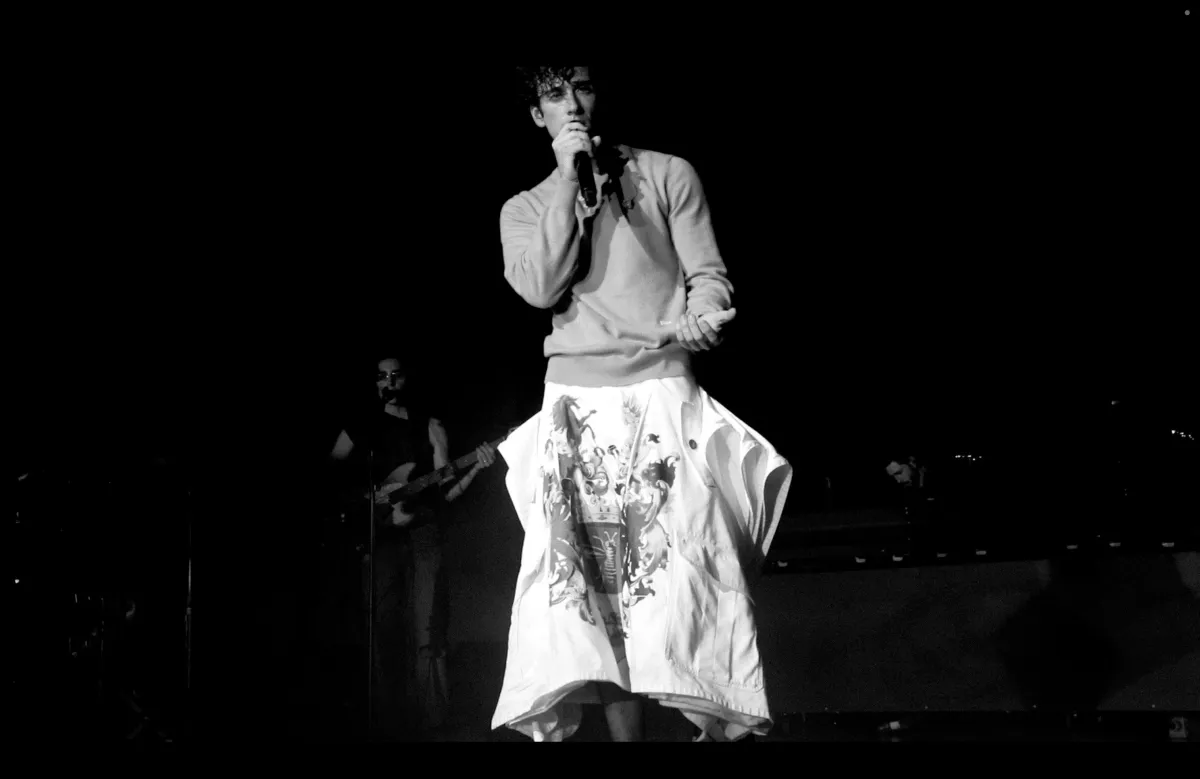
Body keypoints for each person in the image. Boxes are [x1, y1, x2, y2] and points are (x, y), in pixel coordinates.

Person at [491, 66, 793, 743]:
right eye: (553, 96)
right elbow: (540, 287)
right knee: (590, 596)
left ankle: (709, 725)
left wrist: (703, 314)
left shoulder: (667, 173)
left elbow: (707, 276)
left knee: (683, 579)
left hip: (660, 388)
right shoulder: (524, 207)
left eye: (581, 87)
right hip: (576, 403)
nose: (572, 105)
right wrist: (568, 179)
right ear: (537, 116)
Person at [326, 354, 496, 740]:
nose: (389, 381)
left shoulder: (430, 426)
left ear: (406, 379)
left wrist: (474, 467)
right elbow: (330, 472)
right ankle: (387, 722)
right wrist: (366, 496)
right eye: (382, 376)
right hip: (380, 536)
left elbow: (447, 492)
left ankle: (433, 724)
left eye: (396, 375)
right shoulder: (361, 425)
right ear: (374, 383)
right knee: (382, 627)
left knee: (428, 627)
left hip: (424, 534)